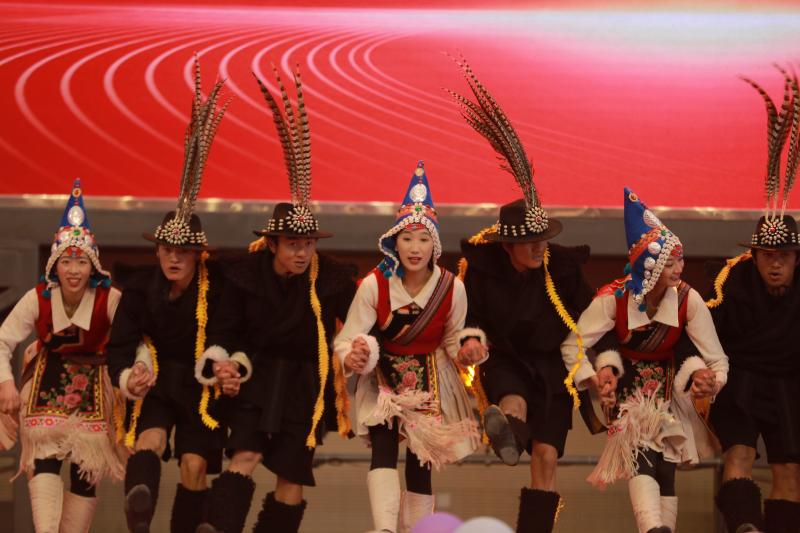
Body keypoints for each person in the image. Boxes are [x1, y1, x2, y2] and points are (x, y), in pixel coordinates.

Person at [195, 65, 357, 533]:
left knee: (292, 479)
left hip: (305, 386)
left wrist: (358, 351)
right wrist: (223, 363)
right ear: (271, 244)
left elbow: (357, 326)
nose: (302, 252)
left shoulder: (332, 279)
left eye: (308, 244)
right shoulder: (244, 275)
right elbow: (223, 330)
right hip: (256, 377)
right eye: (292, 244)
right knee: (244, 456)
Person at [448, 57, 607, 533]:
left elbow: (594, 317)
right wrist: (470, 343)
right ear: (507, 246)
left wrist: (603, 368)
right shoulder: (480, 271)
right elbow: (469, 320)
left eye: (543, 241)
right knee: (513, 400)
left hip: (553, 366)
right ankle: (507, 428)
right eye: (530, 243)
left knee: (547, 457)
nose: (540, 248)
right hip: (504, 359)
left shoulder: (564, 269)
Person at [106, 56, 229, 533]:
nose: (174, 258)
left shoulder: (218, 290)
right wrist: (128, 378)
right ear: (157, 251)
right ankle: (138, 514)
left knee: (195, 468)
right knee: (149, 442)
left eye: (183, 252)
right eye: (167, 250)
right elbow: (120, 346)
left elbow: (228, 336)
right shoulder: (139, 289)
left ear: (199, 255)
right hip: (156, 381)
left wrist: (224, 366)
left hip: (200, 386)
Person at [561, 188, 728, 533]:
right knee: (641, 456)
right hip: (628, 389)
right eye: (669, 262)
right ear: (646, 266)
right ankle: (652, 528)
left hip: (669, 388)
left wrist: (711, 384)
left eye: (680, 259)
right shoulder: (613, 298)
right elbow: (572, 346)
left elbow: (718, 361)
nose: (680, 268)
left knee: (666, 467)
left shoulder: (689, 300)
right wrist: (592, 378)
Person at [333, 161, 482, 533]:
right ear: (393, 242)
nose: (415, 248)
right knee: (383, 447)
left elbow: (454, 338)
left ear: (435, 244)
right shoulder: (375, 284)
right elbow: (346, 338)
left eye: (423, 239)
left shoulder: (452, 287)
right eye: (407, 238)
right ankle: (384, 529)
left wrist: (468, 351)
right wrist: (353, 355)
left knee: (420, 460)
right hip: (384, 378)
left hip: (431, 377)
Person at [0, 178, 122, 532]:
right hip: (47, 380)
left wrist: (134, 377)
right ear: (55, 265)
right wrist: (6, 383)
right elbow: (3, 340)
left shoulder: (110, 299)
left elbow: (134, 342)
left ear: (93, 266)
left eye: (81, 262)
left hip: (93, 385)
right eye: (66, 261)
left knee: (85, 471)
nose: (73, 270)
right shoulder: (37, 297)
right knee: (45, 459)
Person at [709, 70, 800, 533]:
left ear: (796, 258)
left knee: (789, 471)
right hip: (741, 379)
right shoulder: (732, 280)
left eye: (784, 256)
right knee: (739, 455)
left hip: (792, 383)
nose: (775, 264)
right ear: (755, 256)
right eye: (767, 256)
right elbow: (708, 335)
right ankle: (744, 526)